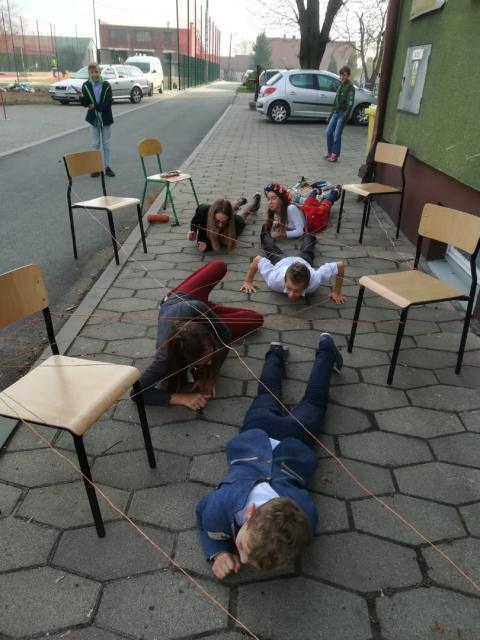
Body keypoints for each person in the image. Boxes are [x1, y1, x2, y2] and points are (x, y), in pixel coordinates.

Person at [196, 333, 343, 579]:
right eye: (244, 550)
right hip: (289, 437)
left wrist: (218, 551)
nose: (242, 559)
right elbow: (202, 509)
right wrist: (219, 551)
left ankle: (279, 351)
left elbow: (202, 511)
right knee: (308, 397)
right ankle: (316, 350)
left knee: (276, 393)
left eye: (242, 549)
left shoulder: (304, 514)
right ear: (251, 512)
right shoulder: (225, 503)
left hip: (265, 433)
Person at [137, 261, 264, 410]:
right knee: (256, 319)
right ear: (184, 358)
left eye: (210, 354)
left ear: (209, 335)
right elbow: (136, 393)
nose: (209, 363)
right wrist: (179, 398)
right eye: (202, 362)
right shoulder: (164, 357)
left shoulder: (197, 309)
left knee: (220, 265)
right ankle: (213, 308)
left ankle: (211, 308)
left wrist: (211, 376)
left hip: (193, 303)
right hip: (187, 305)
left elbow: (224, 335)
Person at [240, 227, 346, 303]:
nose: (291, 295)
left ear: (306, 285)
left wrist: (336, 292)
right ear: (284, 280)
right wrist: (248, 281)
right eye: (289, 288)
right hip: (281, 262)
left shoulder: (314, 281)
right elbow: (258, 259)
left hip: (303, 261)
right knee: (269, 247)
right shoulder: (274, 280)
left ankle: (309, 231)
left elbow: (340, 265)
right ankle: (265, 229)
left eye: (298, 291)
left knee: (308, 248)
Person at [188, 194, 261, 253]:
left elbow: (224, 242)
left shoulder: (235, 224)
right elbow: (194, 221)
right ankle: (240, 200)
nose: (220, 225)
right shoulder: (203, 210)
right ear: (212, 214)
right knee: (225, 208)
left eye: (224, 222)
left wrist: (209, 246)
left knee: (243, 213)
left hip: (235, 222)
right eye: (217, 221)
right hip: (219, 212)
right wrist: (193, 231)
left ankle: (255, 201)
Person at [80, 62, 115, 178]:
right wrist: (82, 99)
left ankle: (107, 167)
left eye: (96, 72)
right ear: (89, 74)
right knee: (95, 144)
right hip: (93, 118)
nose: (94, 74)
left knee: (106, 144)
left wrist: (95, 106)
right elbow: (86, 104)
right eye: (92, 72)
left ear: (99, 72)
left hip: (105, 117)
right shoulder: (86, 85)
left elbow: (108, 103)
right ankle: (95, 168)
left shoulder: (106, 85)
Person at [324, 66, 355, 163]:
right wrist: (330, 115)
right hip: (335, 113)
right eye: (341, 75)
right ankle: (330, 152)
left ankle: (334, 155)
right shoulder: (341, 85)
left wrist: (345, 115)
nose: (342, 77)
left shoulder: (350, 87)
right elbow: (335, 102)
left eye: (344, 75)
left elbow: (350, 103)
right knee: (328, 132)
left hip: (342, 114)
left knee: (337, 135)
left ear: (348, 76)